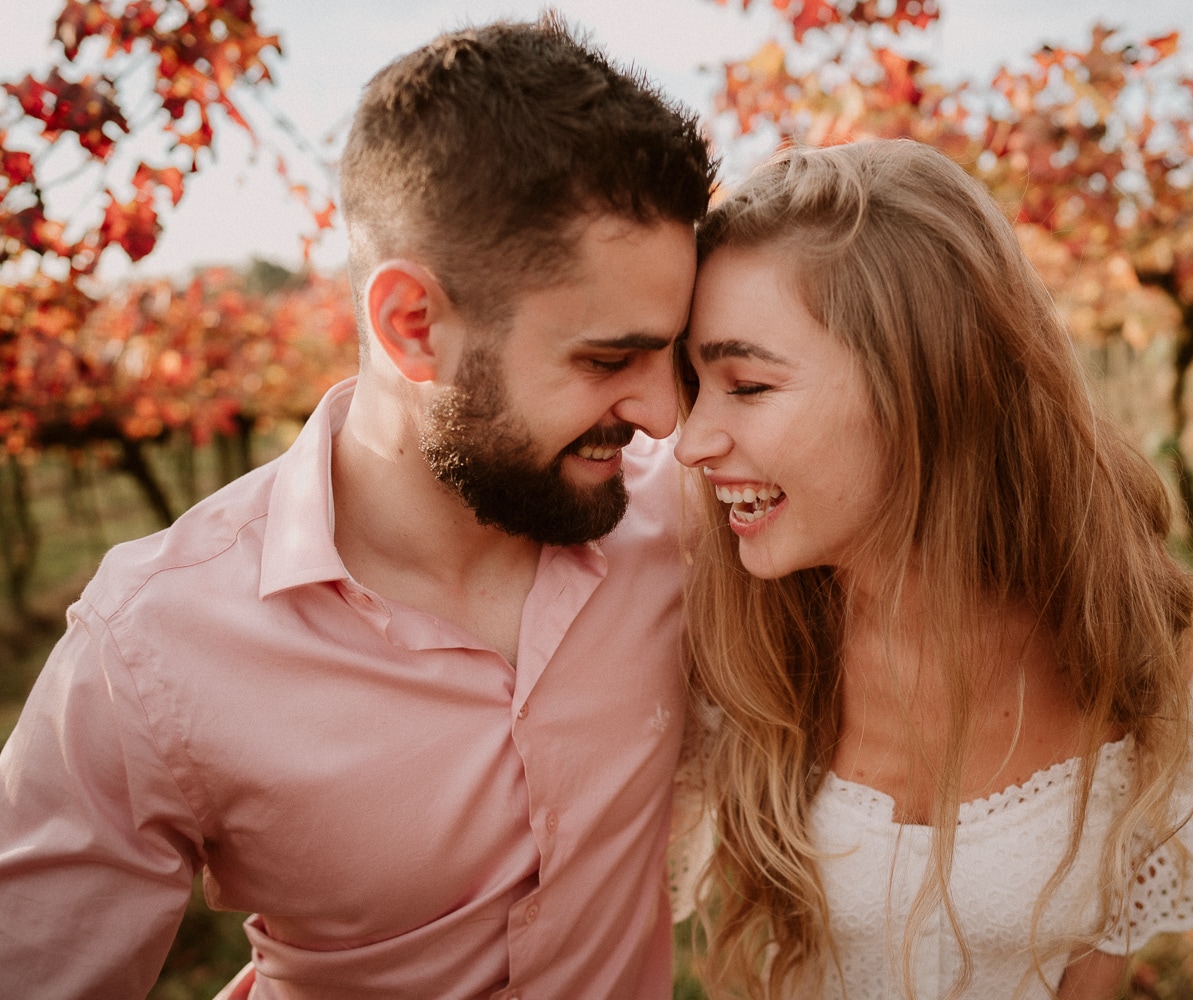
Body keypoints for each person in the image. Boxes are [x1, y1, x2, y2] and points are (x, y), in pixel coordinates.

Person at [0, 17, 712, 1000]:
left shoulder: (685, 519)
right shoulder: (151, 650)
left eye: (669, 355)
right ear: (412, 324)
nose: (662, 412)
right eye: (605, 360)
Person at [670, 140, 1193, 1000]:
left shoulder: (1126, 632)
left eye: (747, 387)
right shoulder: (722, 628)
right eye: (696, 386)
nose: (690, 441)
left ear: (924, 383)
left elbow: (1100, 957)